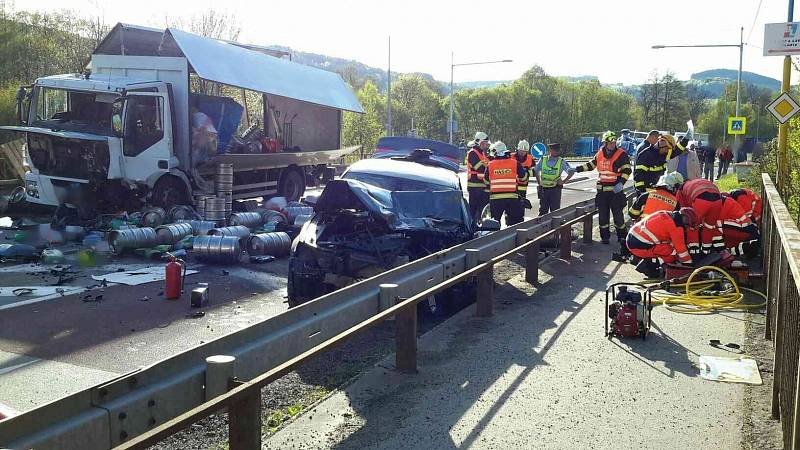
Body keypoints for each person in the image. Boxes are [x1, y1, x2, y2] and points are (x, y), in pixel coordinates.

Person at [572, 130, 632, 246]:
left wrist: (621, 183)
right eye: (610, 143)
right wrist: (577, 169)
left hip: (616, 191)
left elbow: (627, 170)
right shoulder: (599, 154)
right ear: (605, 143)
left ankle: (622, 237)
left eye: (614, 143)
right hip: (602, 192)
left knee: (618, 217)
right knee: (603, 217)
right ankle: (605, 238)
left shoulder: (621, 154)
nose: (613, 145)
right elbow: (591, 165)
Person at [626, 207, 698, 278]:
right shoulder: (676, 227)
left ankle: (647, 261)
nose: (686, 226)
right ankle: (647, 266)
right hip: (639, 246)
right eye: (687, 224)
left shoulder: (666, 213)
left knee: (669, 246)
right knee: (672, 253)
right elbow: (681, 250)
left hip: (632, 237)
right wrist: (688, 266)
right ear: (684, 218)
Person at [483, 141, 529, 226]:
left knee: (494, 224)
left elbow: (485, 181)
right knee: (514, 224)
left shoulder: (490, 164)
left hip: (495, 199)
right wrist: (526, 172)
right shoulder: (514, 163)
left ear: (496, 152)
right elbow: (523, 178)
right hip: (512, 198)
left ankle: (495, 239)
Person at [534, 142, 573, 215]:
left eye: (558, 150)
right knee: (542, 212)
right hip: (544, 190)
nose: (557, 152)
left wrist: (563, 181)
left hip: (555, 190)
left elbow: (571, 172)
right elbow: (536, 171)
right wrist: (539, 183)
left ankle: (555, 226)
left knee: (555, 212)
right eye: (555, 150)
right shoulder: (543, 159)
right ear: (551, 151)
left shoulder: (561, 161)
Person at [466, 132, 491, 220]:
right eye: (484, 143)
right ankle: (472, 230)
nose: (486, 145)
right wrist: (488, 166)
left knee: (481, 211)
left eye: (486, 143)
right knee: (473, 211)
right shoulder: (472, 153)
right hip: (474, 186)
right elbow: (479, 168)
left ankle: (479, 228)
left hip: (482, 186)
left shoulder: (482, 154)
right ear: (478, 142)